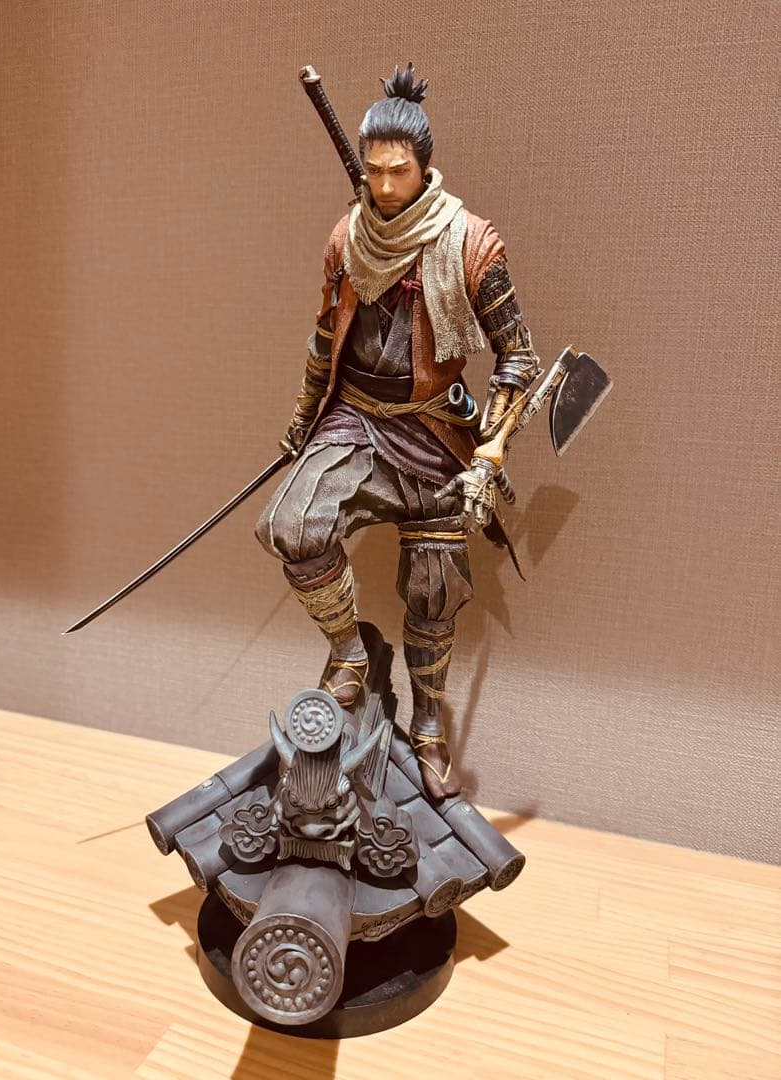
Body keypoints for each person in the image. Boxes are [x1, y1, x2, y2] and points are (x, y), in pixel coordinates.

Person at [255, 64, 540, 801]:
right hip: (354, 419)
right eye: (374, 171)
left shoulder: (471, 244)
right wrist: (302, 419)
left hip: (437, 431)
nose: (384, 186)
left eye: (398, 171)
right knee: (292, 527)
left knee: (434, 588)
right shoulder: (348, 237)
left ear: (424, 164)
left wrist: (490, 452)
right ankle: (349, 655)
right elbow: (326, 337)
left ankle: (429, 724)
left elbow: (519, 358)